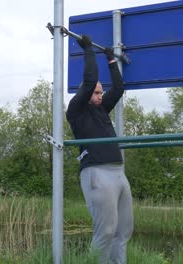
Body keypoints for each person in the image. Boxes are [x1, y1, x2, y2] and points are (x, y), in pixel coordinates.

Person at [66, 35, 134, 264]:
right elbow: (90, 78)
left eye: (100, 92)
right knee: (105, 232)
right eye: (96, 92)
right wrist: (87, 49)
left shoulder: (102, 109)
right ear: (85, 94)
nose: (100, 95)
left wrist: (111, 61)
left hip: (118, 173)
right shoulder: (76, 110)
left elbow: (119, 87)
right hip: (97, 172)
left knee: (122, 232)